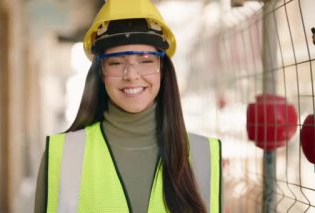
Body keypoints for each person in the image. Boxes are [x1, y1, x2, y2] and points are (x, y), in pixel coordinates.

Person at [35, 0, 222, 212]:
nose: (131, 75)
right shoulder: (62, 155)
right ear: (101, 72)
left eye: (145, 60)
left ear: (163, 69)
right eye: (116, 62)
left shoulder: (203, 154)